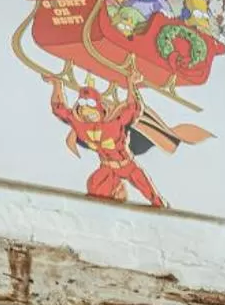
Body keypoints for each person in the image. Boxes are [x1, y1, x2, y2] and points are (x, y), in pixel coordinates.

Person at [50, 65, 165, 208]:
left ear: (100, 110)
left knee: (147, 189)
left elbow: (133, 108)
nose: (87, 113)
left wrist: (131, 84)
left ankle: (158, 204)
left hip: (126, 165)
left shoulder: (113, 125)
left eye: (91, 109)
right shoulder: (80, 125)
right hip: (107, 167)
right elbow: (58, 108)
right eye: (83, 109)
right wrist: (57, 84)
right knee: (95, 187)